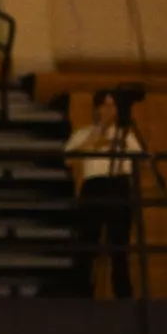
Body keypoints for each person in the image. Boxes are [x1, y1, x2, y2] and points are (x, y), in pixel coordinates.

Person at [65, 88, 142, 299]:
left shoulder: (125, 134)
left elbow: (140, 160)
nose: (109, 110)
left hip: (119, 186)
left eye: (112, 105)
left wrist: (118, 144)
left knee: (119, 244)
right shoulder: (83, 133)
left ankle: (123, 295)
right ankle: (81, 293)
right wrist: (96, 139)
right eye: (104, 105)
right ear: (97, 108)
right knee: (87, 241)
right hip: (94, 187)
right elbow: (69, 158)